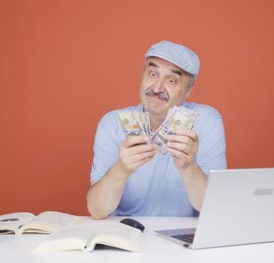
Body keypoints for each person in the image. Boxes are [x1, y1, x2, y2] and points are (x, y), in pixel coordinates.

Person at [87, 41, 227, 219]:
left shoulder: (206, 121)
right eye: (152, 74)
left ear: (188, 90)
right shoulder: (112, 123)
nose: (157, 88)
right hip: (126, 235)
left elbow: (215, 209)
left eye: (171, 80)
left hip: (180, 239)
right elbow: (97, 210)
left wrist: (188, 167)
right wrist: (122, 169)